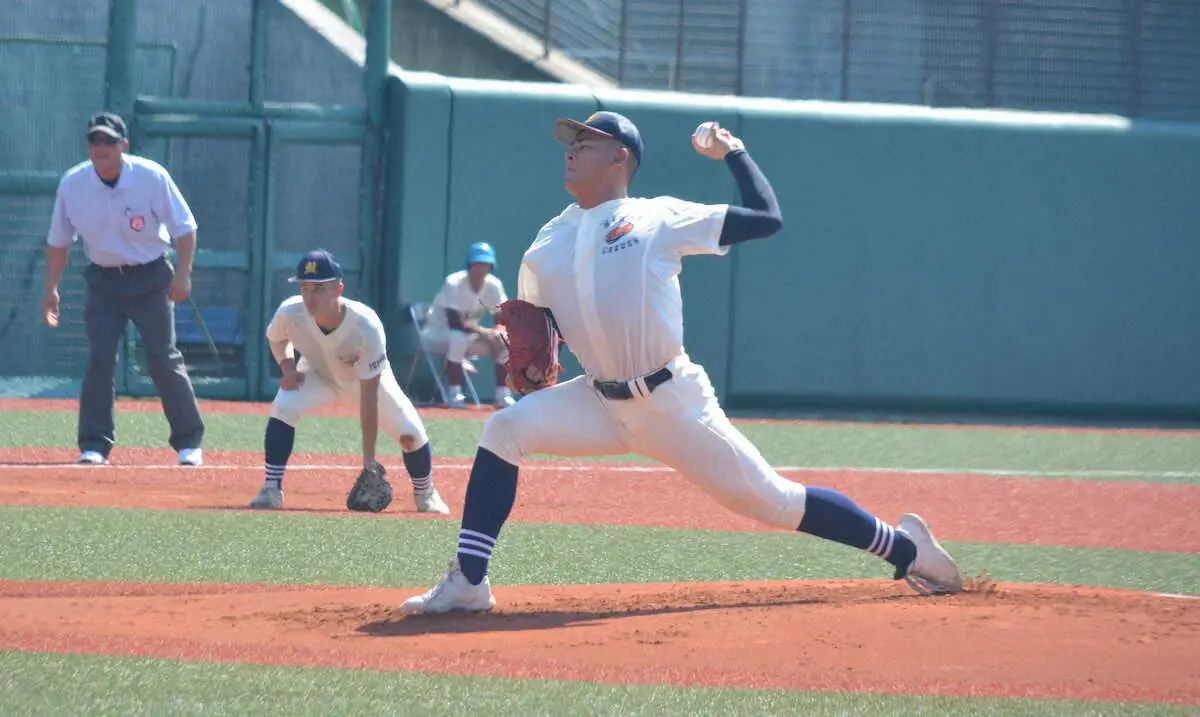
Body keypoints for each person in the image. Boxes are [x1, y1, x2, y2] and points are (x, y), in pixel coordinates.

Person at [400, 112, 963, 613]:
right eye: (569, 142)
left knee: (772, 500)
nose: (571, 149)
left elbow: (766, 218)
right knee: (503, 428)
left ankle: (909, 549)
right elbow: (537, 326)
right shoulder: (547, 240)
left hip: (673, 403)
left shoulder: (657, 216)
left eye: (586, 141)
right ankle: (469, 581)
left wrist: (734, 152)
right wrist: (528, 358)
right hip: (597, 399)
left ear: (621, 156)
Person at [42, 111, 205, 466]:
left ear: (123, 145)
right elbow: (58, 242)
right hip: (103, 282)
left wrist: (184, 274)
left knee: (162, 359)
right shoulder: (73, 184)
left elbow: (185, 228)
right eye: (95, 140)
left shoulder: (151, 177)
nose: (101, 147)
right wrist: (51, 288)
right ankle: (94, 445)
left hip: (150, 277)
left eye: (108, 141)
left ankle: (189, 442)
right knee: (100, 359)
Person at [247, 249, 450, 515]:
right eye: (304, 287)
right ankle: (271, 487)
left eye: (319, 288)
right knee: (284, 406)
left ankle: (425, 493)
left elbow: (368, 397)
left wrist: (368, 460)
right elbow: (276, 338)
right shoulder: (291, 311)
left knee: (410, 435)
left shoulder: (365, 325)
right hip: (317, 374)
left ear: (338, 289)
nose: (310, 296)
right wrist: (287, 367)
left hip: (365, 383)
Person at [421, 242, 516, 409]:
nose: (481, 268)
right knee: (459, 338)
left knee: (505, 339)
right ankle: (454, 395)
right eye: (477, 263)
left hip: (468, 336)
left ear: (491, 267)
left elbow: (500, 317)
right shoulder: (454, 283)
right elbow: (455, 322)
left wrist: (497, 334)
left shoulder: (494, 285)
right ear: (469, 265)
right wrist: (485, 333)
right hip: (436, 335)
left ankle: (503, 396)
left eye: (485, 264)